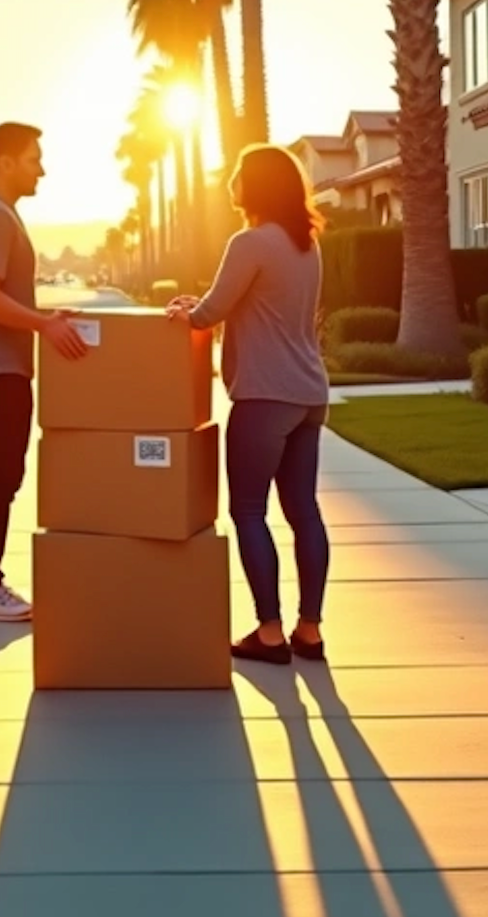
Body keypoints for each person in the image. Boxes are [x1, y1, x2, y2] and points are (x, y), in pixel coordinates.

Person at [167, 144, 333, 664]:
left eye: (238, 174)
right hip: (310, 395)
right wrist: (206, 307)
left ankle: (267, 633)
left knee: (248, 511)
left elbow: (212, 311)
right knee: (303, 511)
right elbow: (251, 304)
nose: (230, 182)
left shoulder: (250, 242)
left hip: (264, 396)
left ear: (255, 185)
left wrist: (186, 313)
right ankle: (309, 630)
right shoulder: (307, 246)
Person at [0, 122, 89, 622]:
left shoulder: (0, 214)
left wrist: (47, 318)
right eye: (34, 159)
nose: (42, 169)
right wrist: (42, 326)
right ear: (6, 162)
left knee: (0, 471)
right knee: (2, 473)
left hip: (0, 365)